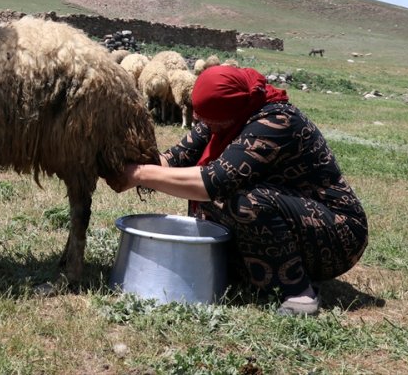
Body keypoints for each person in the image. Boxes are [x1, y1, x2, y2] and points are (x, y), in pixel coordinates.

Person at [107, 64, 368, 315]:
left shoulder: (277, 122)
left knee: (247, 201)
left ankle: (296, 290)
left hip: (338, 232)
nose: (208, 127)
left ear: (230, 111)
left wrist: (139, 174)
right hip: (291, 219)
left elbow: (214, 181)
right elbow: (175, 158)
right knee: (223, 198)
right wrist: (114, 162)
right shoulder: (222, 117)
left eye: (213, 122)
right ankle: (247, 272)